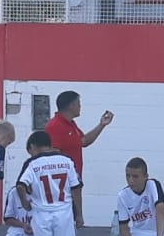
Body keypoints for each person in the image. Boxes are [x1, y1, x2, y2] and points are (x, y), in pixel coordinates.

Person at [45, 91, 114, 227]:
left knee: (71, 225)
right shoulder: (55, 126)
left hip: (73, 183)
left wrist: (102, 125)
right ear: (71, 105)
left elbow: (84, 141)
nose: (80, 106)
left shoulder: (71, 124)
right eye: (78, 103)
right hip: (61, 188)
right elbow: (53, 158)